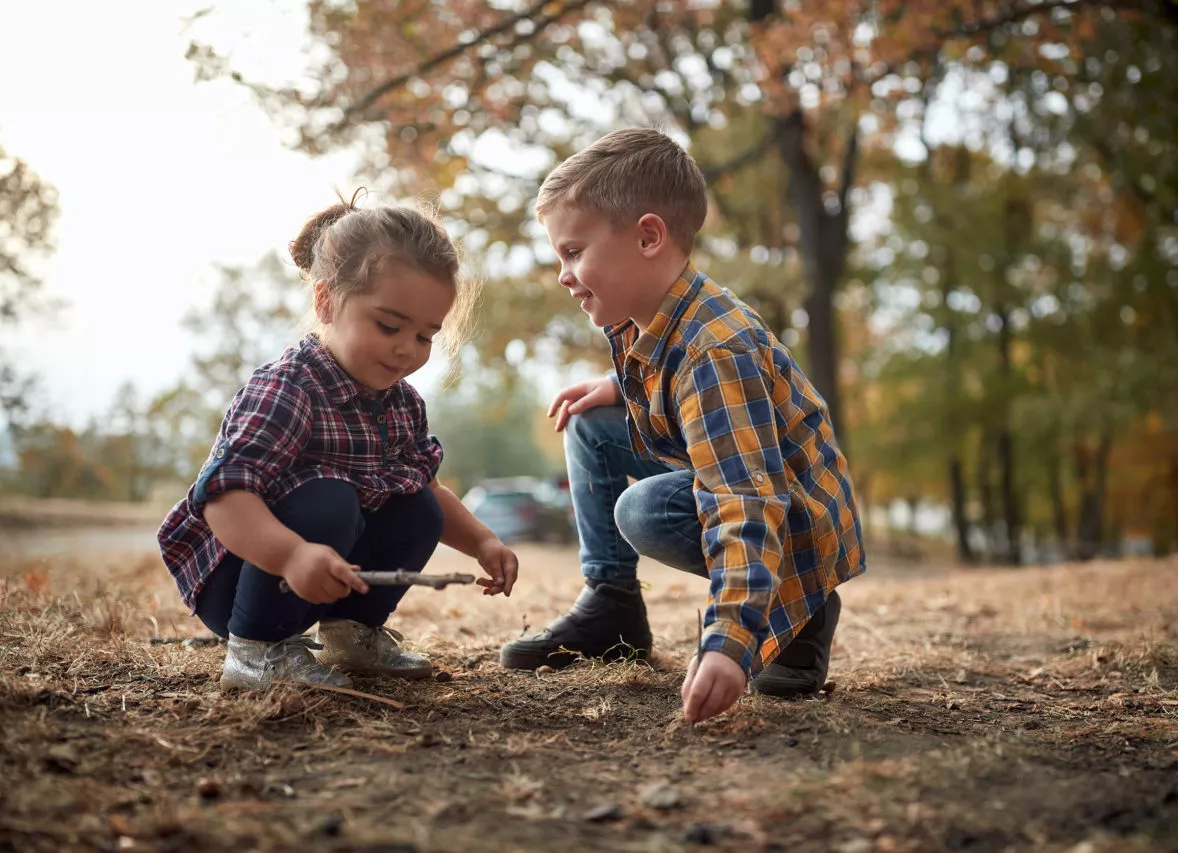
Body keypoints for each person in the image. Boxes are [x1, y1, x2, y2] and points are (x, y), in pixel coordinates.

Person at [499, 129, 865, 723]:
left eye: (573, 252)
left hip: (787, 518)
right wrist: (617, 386)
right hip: (748, 477)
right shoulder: (647, 318)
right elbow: (678, 384)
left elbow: (742, 497)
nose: (563, 274)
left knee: (644, 509)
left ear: (648, 237)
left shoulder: (715, 352)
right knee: (593, 424)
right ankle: (613, 606)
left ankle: (799, 607)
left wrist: (729, 641)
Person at [158, 194, 518, 691]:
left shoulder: (401, 403)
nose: (406, 349)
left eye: (425, 336)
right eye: (388, 325)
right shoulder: (288, 388)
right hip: (243, 573)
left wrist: (483, 541)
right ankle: (256, 652)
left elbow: (431, 490)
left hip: (323, 574)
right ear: (326, 302)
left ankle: (352, 634)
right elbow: (223, 499)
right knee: (328, 498)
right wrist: (290, 555)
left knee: (417, 505)